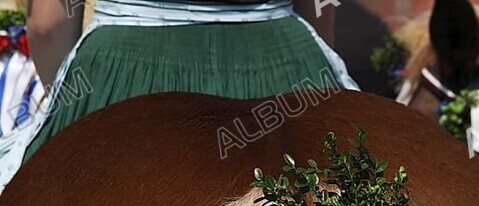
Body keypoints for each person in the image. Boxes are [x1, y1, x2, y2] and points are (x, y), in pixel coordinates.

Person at [0, 0, 356, 187]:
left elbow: (48, 25)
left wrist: (65, 105)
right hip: (284, 60)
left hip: (123, 69)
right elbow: (320, 11)